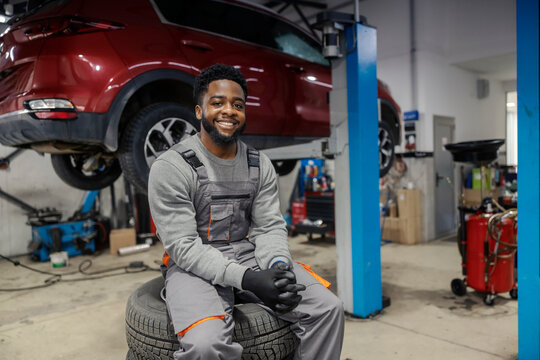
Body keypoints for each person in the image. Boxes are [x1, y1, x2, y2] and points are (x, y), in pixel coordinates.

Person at [148, 63, 344, 360]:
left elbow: (268, 226)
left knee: (328, 308)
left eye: (237, 104)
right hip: (192, 264)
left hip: (248, 253)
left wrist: (278, 265)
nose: (228, 111)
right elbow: (184, 247)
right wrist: (248, 280)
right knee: (205, 344)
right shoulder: (171, 167)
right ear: (199, 111)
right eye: (217, 103)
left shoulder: (259, 163)